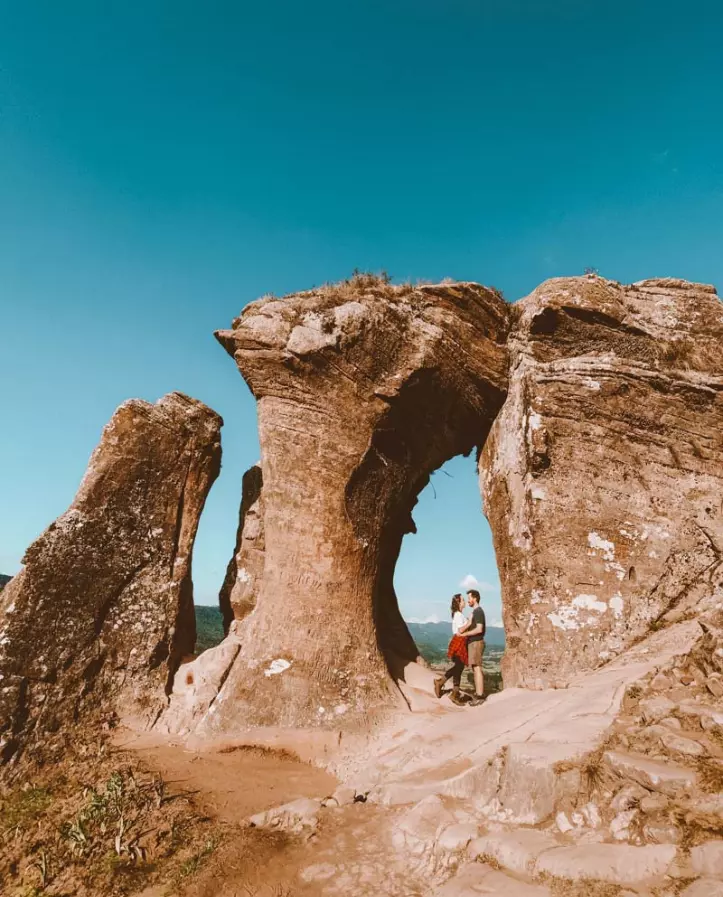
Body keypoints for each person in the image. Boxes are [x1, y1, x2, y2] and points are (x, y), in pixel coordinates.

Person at [434, 594, 469, 705]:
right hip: (459, 642)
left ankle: (449, 688)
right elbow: (460, 630)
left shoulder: (459, 614)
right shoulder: (458, 615)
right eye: (463, 600)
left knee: (459, 667)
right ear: (459, 603)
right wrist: (470, 622)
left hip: (461, 642)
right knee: (458, 667)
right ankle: (449, 689)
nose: (465, 602)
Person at [463, 589, 486, 705]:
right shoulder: (475, 612)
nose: (468, 601)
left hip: (476, 642)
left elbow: (479, 629)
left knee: (477, 668)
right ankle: (478, 694)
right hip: (473, 643)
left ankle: (480, 696)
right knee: (475, 668)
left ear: (475, 598)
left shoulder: (478, 612)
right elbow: (470, 625)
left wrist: (465, 634)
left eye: (469, 598)